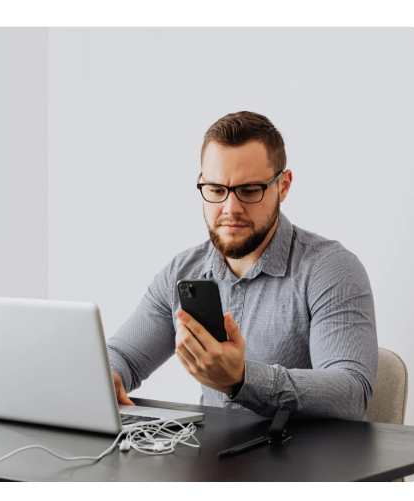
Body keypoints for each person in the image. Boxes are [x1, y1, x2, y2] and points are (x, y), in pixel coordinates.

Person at [107, 111, 378, 421]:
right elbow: (123, 357)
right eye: (216, 190)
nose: (230, 208)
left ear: (283, 186)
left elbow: (352, 393)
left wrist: (242, 379)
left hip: (305, 464)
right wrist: (109, 378)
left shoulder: (330, 269)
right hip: (212, 464)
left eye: (249, 191)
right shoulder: (182, 272)